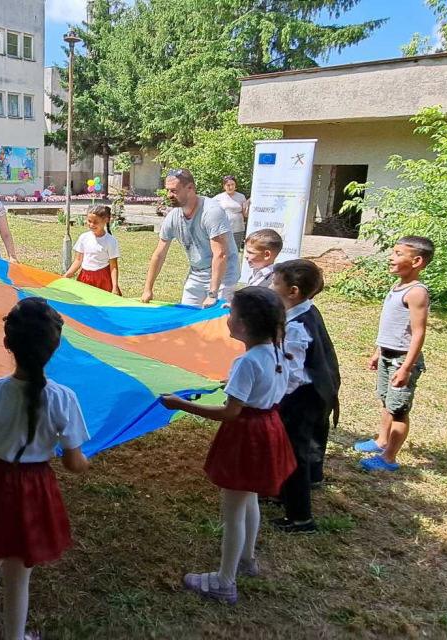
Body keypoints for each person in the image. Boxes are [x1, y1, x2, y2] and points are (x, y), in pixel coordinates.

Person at [0, 297, 90, 640]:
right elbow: (75, 464)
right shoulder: (64, 398)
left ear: (7, 343)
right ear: (54, 346)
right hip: (33, 488)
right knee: (19, 569)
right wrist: (83, 459)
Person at [161, 287, 295, 605]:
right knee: (250, 499)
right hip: (269, 429)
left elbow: (230, 412)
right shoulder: (278, 351)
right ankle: (247, 559)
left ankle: (225, 581)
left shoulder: (247, 361)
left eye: (231, 314)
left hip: (246, 435)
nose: (227, 318)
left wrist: (181, 405)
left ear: (245, 325)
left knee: (233, 511)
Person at [270, 260, 340, 533]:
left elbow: (293, 376)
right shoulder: (306, 310)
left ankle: (301, 518)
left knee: (294, 453)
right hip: (318, 390)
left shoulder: (297, 328)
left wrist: (271, 394)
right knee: (303, 445)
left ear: (293, 291)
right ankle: (285, 491)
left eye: (275, 283)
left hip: (303, 396)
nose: (271, 286)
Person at [354, 236, 434, 472]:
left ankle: (388, 457)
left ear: (417, 261)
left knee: (398, 409)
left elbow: (418, 333)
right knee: (385, 401)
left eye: (399, 254)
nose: (391, 257)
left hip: (402, 359)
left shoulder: (417, 292)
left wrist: (406, 367)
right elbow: (394, 326)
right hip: (388, 354)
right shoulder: (397, 286)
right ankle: (381, 441)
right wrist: (379, 350)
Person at [141, 169, 239, 307]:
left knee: (214, 323)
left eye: (174, 191)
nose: (169, 195)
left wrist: (212, 294)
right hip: (197, 275)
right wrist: (148, 289)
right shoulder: (173, 217)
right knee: (188, 321)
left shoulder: (211, 212)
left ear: (191, 188)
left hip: (224, 276)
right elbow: (159, 255)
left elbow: (220, 254)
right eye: (167, 190)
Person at [62, 205, 122, 295]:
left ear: (105, 220)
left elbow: (113, 266)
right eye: (89, 221)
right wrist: (66, 276)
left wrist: (114, 286)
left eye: (95, 222)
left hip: (103, 278)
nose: (91, 225)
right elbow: (78, 260)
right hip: (85, 277)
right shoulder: (84, 237)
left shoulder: (110, 241)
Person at [214, 175, 249, 248]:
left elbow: (246, 214)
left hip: (238, 228)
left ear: (235, 185)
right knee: (223, 250)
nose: (230, 187)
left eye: (232, 184)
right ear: (224, 186)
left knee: (235, 250)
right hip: (223, 229)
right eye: (228, 185)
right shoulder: (218, 198)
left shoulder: (241, 197)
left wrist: (248, 205)